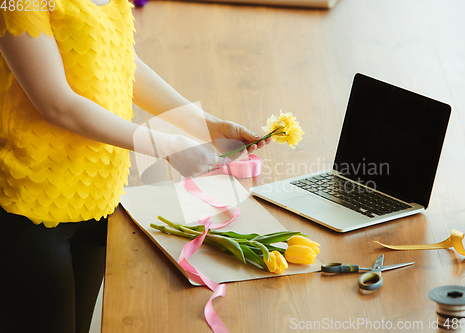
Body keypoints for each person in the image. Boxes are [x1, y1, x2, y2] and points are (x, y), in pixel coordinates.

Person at [0, 1, 270, 332]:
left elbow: (126, 64)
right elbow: (57, 104)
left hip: (98, 197)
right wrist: (166, 146)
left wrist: (208, 126)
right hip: (33, 203)